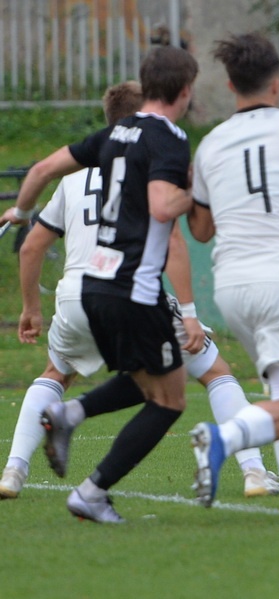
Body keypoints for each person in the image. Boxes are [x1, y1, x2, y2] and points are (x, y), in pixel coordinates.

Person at [0, 82, 279, 501]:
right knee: (212, 372)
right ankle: (254, 472)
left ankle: (13, 472)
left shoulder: (74, 181)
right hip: (128, 291)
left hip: (77, 297)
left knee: (56, 373)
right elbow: (171, 242)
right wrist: (187, 309)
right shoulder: (152, 171)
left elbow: (34, 246)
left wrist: (30, 308)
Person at [1, 46, 198, 523]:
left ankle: (71, 414)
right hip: (135, 289)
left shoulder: (114, 134)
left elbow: (44, 169)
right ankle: (91, 491)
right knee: (170, 400)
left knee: (149, 381)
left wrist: (22, 212)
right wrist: (201, 192)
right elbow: (160, 207)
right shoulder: (169, 139)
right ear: (186, 91)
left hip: (94, 287)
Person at [186, 32, 279, 522]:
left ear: (229, 84)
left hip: (231, 286)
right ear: (277, 83)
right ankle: (220, 437)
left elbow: (200, 231)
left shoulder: (209, 145)